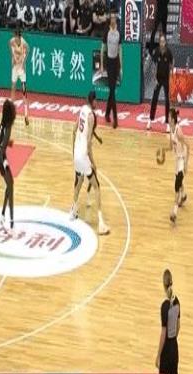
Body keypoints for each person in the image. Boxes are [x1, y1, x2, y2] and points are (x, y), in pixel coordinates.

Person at [70, 90, 110, 235]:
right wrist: (93, 162)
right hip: (83, 155)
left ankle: (73, 210)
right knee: (97, 186)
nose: (97, 102)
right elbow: (88, 143)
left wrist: (73, 151)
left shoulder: (82, 110)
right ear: (92, 101)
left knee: (78, 181)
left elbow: (73, 130)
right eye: (96, 100)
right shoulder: (91, 116)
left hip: (76, 154)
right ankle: (101, 224)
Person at [155, 269, 182, 374]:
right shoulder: (177, 302)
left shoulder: (164, 306)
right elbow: (178, 327)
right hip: (175, 349)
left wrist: (158, 355)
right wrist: (173, 340)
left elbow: (163, 333)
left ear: (163, 285)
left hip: (166, 353)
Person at [0, 100, 17, 233]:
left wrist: (7, 143)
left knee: (10, 184)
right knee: (10, 185)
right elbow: (2, 149)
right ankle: (12, 223)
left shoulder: (3, 123)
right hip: (0, 157)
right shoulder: (8, 128)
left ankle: (3, 215)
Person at [166, 108, 189, 224]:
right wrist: (163, 151)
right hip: (176, 160)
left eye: (169, 116)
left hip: (182, 160)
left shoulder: (178, 131)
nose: (167, 118)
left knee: (176, 186)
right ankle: (183, 195)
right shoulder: (171, 129)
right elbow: (171, 147)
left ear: (173, 119)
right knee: (179, 182)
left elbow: (187, 146)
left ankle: (174, 213)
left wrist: (186, 164)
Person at [100, 9, 122, 129]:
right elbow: (102, 48)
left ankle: (107, 113)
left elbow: (120, 49)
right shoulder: (106, 31)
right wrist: (102, 65)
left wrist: (121, 66)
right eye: (111, 17)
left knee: (112, 90)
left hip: (116, 63)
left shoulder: (119, 31)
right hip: (109, 62)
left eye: (114, 17)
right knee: (112, 90)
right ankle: (115, 118)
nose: (113, 19)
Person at [148, 34, 173, 132]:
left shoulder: (168, 52)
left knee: (167, 101)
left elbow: (172, 62)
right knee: (154, 99)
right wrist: (154, 79)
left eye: (163, 41)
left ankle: (167, 123)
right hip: (158, 79)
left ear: (165, 42)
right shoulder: (157, 51)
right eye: (160, 41)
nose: (162, 43)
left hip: (166, 79)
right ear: (159, 42)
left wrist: (171, 73)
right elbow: (154, 66)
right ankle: (150, 120)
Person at [10, 29, 30, 126]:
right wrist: (13, 58)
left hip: (21, 69)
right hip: (15, 68)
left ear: (19, 36)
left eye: (16, 37)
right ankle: (11, 112)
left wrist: (24, 62)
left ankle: (26, 115)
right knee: (13, 88)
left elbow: (28, 50)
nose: (15, 38)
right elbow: (11, 49)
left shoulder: (24, 43)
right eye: (14, 36)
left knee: (24, 91)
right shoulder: (11, 41)